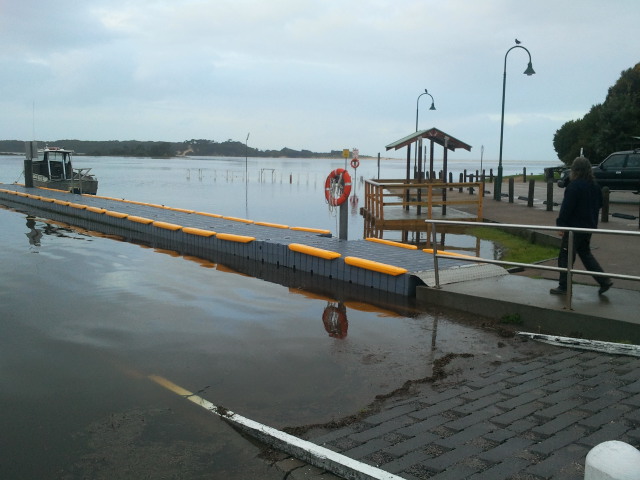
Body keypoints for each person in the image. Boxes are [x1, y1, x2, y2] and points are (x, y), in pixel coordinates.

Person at [550, 156, 613, 295]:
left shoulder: (574, 186)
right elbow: (601, 204)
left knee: (565, 256)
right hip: (588, 226)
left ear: (575, 170)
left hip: (574, 228)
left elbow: (566, 208)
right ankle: (604, 281)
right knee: (585, 254)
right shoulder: (594, 185)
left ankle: (564, 286)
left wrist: (561, 225)